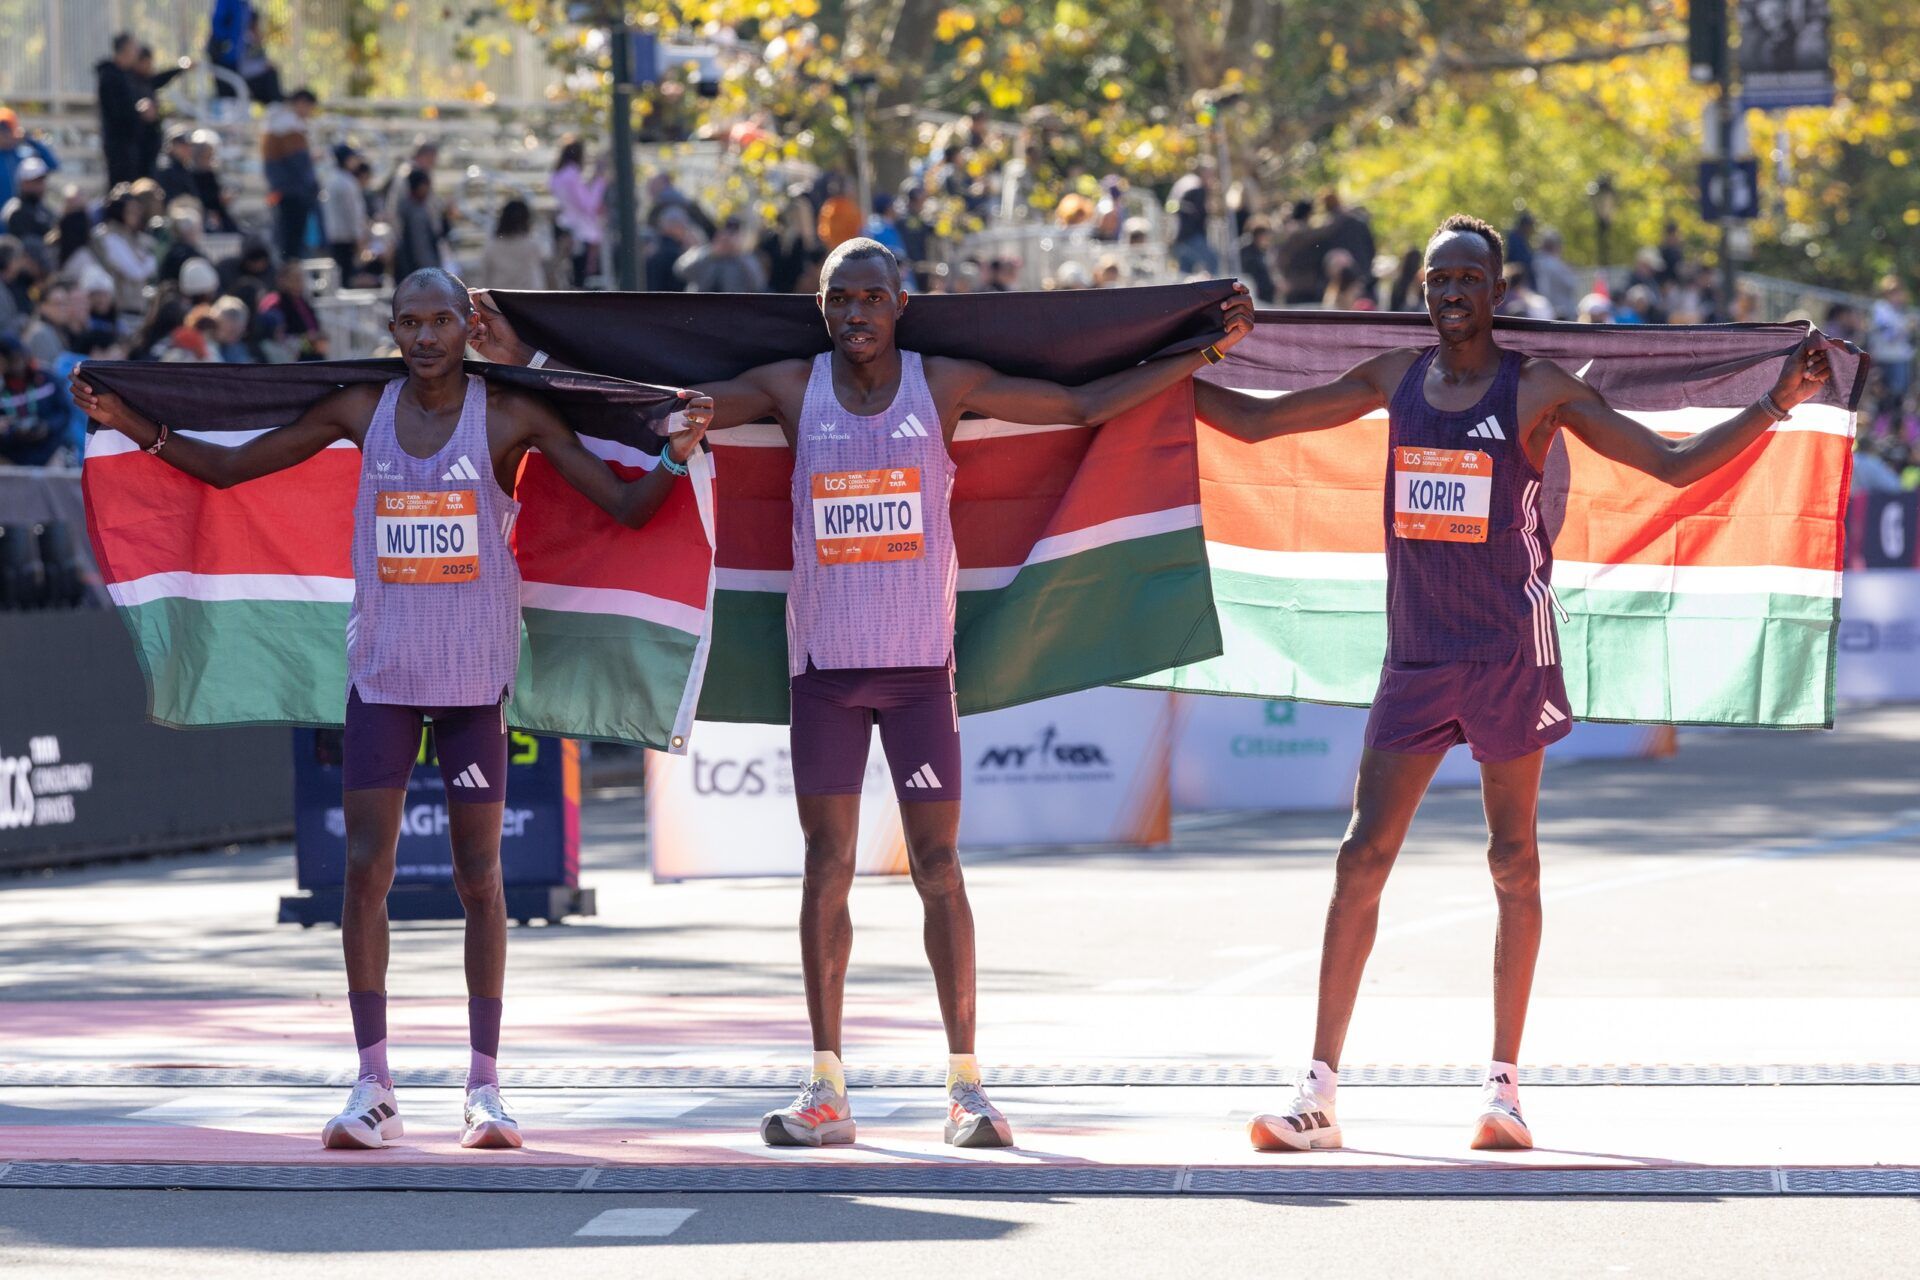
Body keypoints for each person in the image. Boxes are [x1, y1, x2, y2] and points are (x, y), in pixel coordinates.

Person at [465, 242, 1256, 1151]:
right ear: (822, 304)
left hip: (920, 672)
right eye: (841, 299)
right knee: (826, 864)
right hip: (826, 675)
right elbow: (669, 405)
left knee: (938, 869)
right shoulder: (794, 388)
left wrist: (1198, 351)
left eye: (872, 298)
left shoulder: (945, 383)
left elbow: (1079, 405)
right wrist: (527, 360)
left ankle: (967, 1087)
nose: (856, 314)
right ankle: (827, 1086)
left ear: (901, 304)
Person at [1194, 213, 1838, 1154]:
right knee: (1360, 858)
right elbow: (1253, 422)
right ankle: (1318, 1093)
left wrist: (1778, 402)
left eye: (1468, 279)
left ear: (1498, 293)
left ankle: (1504, 1092)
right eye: (1435, 279)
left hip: (1507, 652)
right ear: (1421, 293)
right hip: (1415, 655)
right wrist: (1175, 370)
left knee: (1513, 861)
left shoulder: (1538, 390)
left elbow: (1667, 467)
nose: (1451, 293)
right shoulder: (1395, 379)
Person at [69, 267, 717, 1150]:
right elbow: (227, 469)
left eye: (440, 321)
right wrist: (130, 424)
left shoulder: (511, 415)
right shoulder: (358, 409)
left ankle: (485, 1089)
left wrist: (678, 450)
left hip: (472, 683)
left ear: (465, 326)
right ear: (391, 327)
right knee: (365, 873)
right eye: (408, 322)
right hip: (381, 677)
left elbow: (628, 506)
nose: (423, 338)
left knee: (479, 879)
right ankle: (372, 1083)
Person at [263, 88, 320, 261]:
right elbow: (298, 165)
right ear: (301, 103)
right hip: (292, 192)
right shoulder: (288, 128)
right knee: (291, 242)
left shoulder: (278, 125)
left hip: (285, 189)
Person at [0, 334, 72, 465]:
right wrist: (13, 432)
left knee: (62, 459)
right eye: (12, 359)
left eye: (20, 356)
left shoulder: (46, 379)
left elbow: (64, 412)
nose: (18, 363)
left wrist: (47, 427)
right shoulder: (2, 388)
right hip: (11, 457)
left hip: (50, 451)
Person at [549, 137, 606, 289]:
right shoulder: (571, 175)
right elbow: (588, 205)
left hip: (565, 226)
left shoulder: (558, 174)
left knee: (568, 276)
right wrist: (599, 182)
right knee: (580, 279)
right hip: (579, 232)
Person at [96, 34, 145, 187]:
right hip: (118, 146)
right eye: (134, 47)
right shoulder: (110, 76)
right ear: (126, 49)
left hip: (131, 145)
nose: (138, 51)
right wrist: (138, 111)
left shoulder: (128, 75)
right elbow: (117, 112)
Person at [257, 259, 328, 361]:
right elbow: (277, 338)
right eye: (294, 278)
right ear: (282, 280)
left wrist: (319, 340)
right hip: (291, 361)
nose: (299, 282)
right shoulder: (275, 303)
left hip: (312, 358)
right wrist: (309, 342)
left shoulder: (303, 301)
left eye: (301, 278)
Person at [675, 217, 767, 293]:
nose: (728, 239)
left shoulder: (746, 258)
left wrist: (738, 254)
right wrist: (712, 252)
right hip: (700, 305)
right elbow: (681, 270)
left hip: (732, 308)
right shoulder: (706, 252)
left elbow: (758, 283)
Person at [323, 145, 370, 287]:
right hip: (347, 238)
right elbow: (354, 214)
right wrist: (360, 238)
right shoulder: (347, 182)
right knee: (348, 280)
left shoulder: (331, 180)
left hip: (334, 236)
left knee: (340, 277)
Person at [2, 155, 57, 273]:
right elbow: (25, 247)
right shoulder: (15, 210)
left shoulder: (45, 210)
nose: (41, 186)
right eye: (35, 181)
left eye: (41, 181)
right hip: (19, 275)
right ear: (23, 183)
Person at [479, 198, 546, 292]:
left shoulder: (492, 246)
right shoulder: (532, 245)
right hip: (528, 299)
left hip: (499, 299)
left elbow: (485, 277)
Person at [392, 169, 448, 282]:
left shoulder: (410, 206)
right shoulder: (415, 212)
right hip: (418, 272)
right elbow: (421, 247)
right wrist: (432, 273)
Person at [0, 109, 60, 211]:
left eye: (7, 130)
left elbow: (53, 165)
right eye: (1, 131)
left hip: (24, 218)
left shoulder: (24, 156)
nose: (4, 135)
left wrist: (29, 140)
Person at [1529, 229, 1581, 321]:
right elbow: (1571, 285)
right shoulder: (1556, 265)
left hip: (1544, 311)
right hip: (1562, 312)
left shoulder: (1536, 262)